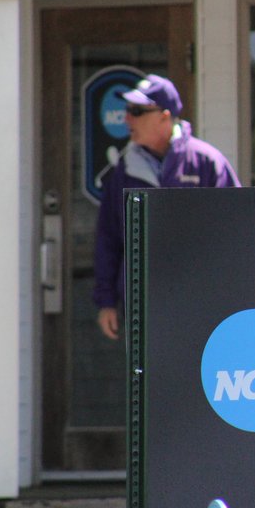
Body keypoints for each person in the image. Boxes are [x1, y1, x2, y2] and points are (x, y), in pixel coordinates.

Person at [93, 74, 241, 340]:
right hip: (143, 309)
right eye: (127, 110)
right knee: (147, 381)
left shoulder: (206, 163)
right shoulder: (124, 170)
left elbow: (239, 232)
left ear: (165, 116)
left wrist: (231, 299)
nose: (128, 118)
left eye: (137, 111)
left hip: (202, 309)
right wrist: (106, 301)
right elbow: (109, 237)